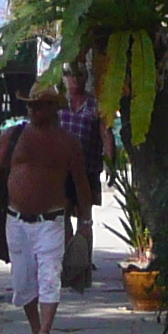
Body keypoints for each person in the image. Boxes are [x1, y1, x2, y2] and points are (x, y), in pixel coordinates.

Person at [0, 86, 91, 334]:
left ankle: (45, 333)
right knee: (23, 279)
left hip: (51, 221)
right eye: (31, 105)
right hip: (15, 220)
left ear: (53, 107)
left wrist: (85, 223)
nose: (33, 110)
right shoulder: (13, 136)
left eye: (39, 105)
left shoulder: (68, 142)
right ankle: (35, 331)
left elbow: (81, 184)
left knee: (49, 275)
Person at [57, 63, 109, 293]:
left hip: (88, 168)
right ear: (65, 79)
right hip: (62, 170)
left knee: (85, 216)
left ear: (84, 78)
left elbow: (105, 134)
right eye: (69, 75)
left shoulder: (94, 105)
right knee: (64, 212)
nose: (74, 80)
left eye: (78, 76)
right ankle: (68, 259)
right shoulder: (58, 105)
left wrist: (111, 162)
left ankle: (84, 261)